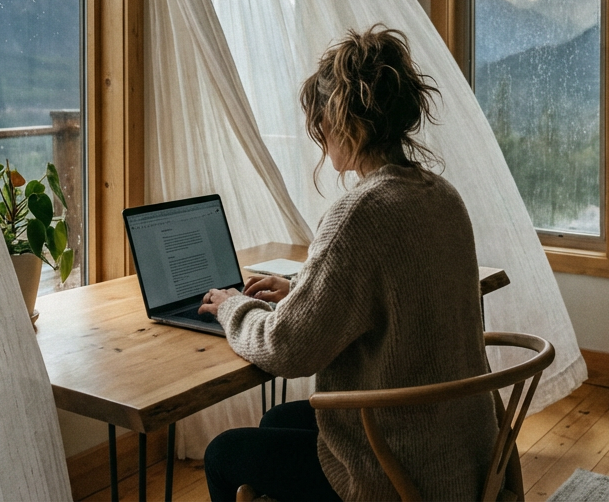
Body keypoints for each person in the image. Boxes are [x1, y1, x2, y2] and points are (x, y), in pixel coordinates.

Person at [199, 25, 497, 502]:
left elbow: (286, 348)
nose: (320, 137)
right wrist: (300, 292)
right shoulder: (442, 195)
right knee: (279, 420)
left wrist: (234, 306)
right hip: (461, 450)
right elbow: (391, 295)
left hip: (402, 473)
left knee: (223, 454)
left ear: (345, 121)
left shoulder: (360, 211)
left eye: (321, 123)